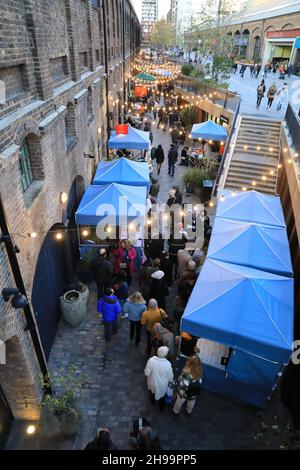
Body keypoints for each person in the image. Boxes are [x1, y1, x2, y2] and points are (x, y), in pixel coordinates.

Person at [144, 346, 174, 412]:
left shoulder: (151, 360)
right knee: (162, 397)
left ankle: (152, 402)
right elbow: (170, 377)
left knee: (151, 393)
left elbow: (146, 373)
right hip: (162, 386)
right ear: (166, 354)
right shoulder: (168, 364)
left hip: (152, 383)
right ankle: (161, 408)